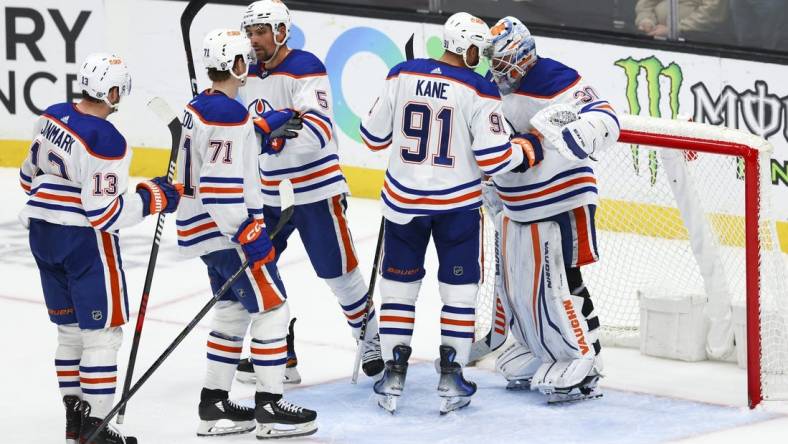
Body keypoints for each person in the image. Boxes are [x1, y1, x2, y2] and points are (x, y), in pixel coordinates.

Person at [359, 12, 541, 414]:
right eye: (480, 49)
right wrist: (525, 149)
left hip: (403, 204)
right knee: (458, 295)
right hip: (456, 209)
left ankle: (393, 372)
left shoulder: (399, 74)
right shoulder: (479, 89)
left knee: (399, 292)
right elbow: (494, 158)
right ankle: (451, 374)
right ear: (468, 47)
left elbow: (371, 137)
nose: (483, 58)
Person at [19, 53, 183, 443]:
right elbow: (104, 214)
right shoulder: (107, 139)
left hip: (41, 234)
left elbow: (28, 179)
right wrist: (152, 197)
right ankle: (97, 428)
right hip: (83, 243)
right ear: (112, 91)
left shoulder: (52, 115)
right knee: (102, 335)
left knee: (69, 332)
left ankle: (76, 421)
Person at [176, 29, 316, 439]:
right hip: (226, 232)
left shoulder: (199, 106)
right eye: (245, 63)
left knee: (232, 314)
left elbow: (218, 151)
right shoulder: (228, 114)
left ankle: (214, 404)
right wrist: (246, 231)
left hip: (202, 232)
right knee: (274, 310)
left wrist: (258, 133)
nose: (248, 69)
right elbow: (220, 185)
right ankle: (270, 406)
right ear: (236, 64)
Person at [236, 0, 384, 384]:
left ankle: (368, 339)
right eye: (250, 32)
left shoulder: (305, 67)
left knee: (338, 272)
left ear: (281, 31)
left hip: (315, 189)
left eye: (261, 31)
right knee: (259, 268)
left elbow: (318, 130)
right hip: (268, 193)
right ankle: (279, 352)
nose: (255, 40)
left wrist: (271, 139)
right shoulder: (243, 72)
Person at [484, 16, 621, 403]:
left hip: (562, 196)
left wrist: (579, 133)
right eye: (495, 62)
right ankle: (540, 347)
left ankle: (584, 357)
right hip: (517, 203)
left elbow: (605, 115)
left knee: (559, 279)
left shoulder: (554, 77)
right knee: (519, 284)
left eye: (506, 62)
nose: (500, 71)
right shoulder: (492, 86)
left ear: (525, 55)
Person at [635, 0, 727, 39]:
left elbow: (710, 13)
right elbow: (646, 3)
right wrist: (646, 19)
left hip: (693, 40)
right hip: (651, 36)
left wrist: (674, 30)